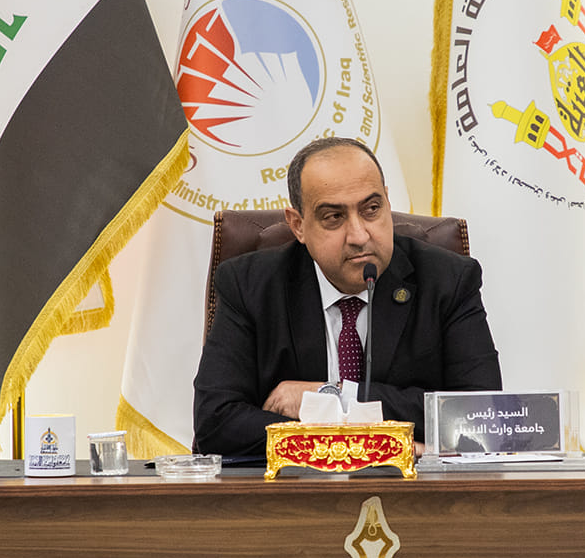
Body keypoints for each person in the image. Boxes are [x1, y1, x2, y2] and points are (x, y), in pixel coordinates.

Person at [192, 137, 503, 457]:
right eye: (333, 217)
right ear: (298, 225)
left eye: (372, 209)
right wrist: (371, 444)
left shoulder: (448, 280)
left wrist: (335, 397)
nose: (359, 235)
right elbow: (215, 423)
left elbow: (482, 416)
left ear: (387, 203)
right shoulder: (249, 285)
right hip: (293, 486)